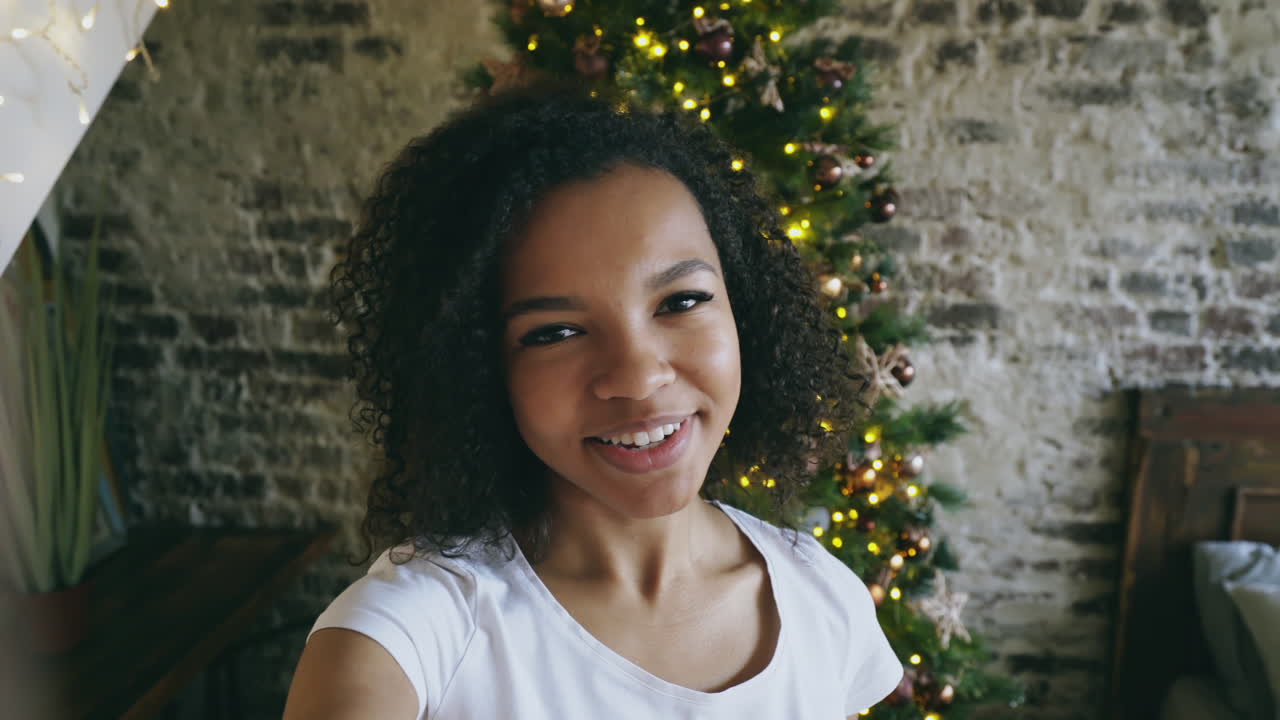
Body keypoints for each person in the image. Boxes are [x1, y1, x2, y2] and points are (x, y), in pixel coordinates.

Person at [283, 81, 903, 720]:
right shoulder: (412, 634)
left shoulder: (821, 599)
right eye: (555, 333)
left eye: (681, 302)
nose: (637, 378)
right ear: (479, 371)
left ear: (744, 309)